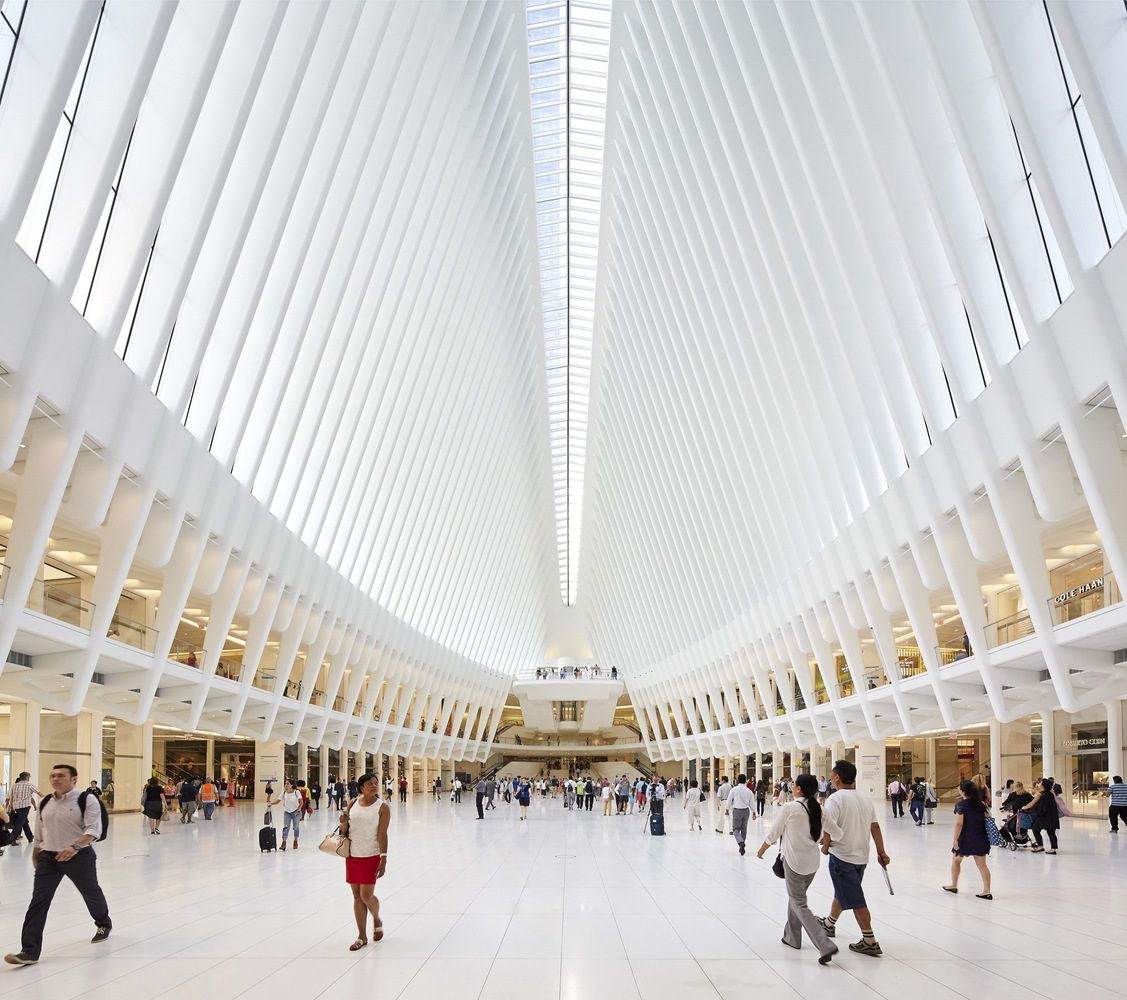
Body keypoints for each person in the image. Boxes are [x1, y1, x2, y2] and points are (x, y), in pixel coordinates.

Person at [4, 764, 112, 966]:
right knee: (39, 901)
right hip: (49, 858)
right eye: (53, 775)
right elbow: (40, 831)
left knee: (90, 892)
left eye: (61, 775)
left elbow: (93, 830)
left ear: (74, 779)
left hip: (79, 855)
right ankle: (29, 951)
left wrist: (74, 847)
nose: (55, 779)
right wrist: (36, 853)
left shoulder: (86, 799)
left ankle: (103, 922)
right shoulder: (46, 801)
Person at [757, 773, 842, 964]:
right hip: (812, 865)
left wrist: (762, 849)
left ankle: (824, 944)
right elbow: (837, 833)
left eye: (795, 785)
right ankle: (792, 937)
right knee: (796, 898)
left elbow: (774, 833)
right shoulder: (820, 809)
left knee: (799, 902)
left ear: (799, 789)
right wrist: (824, 841)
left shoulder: (790, 808)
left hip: (794, 863)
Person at [817, 759, 889, 958]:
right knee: (844, 892)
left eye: (832, 775)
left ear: (837, 778)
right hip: (861, 857)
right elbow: (875, 826)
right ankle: (829, 924)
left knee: (856, 899)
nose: (831, 779)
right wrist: (881, 852)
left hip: (842, 856)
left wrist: (825, 846)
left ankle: (869, 941)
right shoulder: (864, 799)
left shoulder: (835, 799)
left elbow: (829, 825)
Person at [337, 773, 390, 951]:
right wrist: (343, 823)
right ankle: (362, 936)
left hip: (371, 855)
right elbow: (345, 830)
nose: (374, 786)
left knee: (366, 896)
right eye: (369, 783)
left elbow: (382, 835)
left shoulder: (382, 808)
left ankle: (377, 918)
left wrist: (383, 858)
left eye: (375, 783)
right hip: (353, 855)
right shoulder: (353, 803)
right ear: (361, 788)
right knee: (357, 897)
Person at [943, 779, 992, 899]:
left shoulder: (961, 805)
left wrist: (955, 840)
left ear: (963, 791)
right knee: (982, 865)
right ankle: (987, 891)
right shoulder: (981, 804)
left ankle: (954, 885)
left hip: (966, 838)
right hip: (980, 836)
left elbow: (959, 823)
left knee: (956, 860)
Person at [1023, 778, 1060, 854]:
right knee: (1051, 832)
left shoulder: (1040, 794)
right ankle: (1053, 849)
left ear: (1043, 785)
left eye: (1040, 783)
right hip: (1051, 815)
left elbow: (1032, 803)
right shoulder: (1051, 794)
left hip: (1042, 816)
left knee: (1035, 829)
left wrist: (1024, 807)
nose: (1039, 784)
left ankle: (1040, 846)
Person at [270, 779, 304, 851]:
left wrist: (298, 810)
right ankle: (284, 842)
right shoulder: (284, 792)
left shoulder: (296, 792)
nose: (286, 785)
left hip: (296, 812)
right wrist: (271, 804)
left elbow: (301, 802)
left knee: (296, 827)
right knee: (286, 827)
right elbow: (278, 801)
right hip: (287, 812)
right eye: (285, 783)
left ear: (292, 785)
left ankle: (295, 840)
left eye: (288, 784)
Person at [7, 772, 39, 845]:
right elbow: (38, 793)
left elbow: (11, 797)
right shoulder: (29, 785)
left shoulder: (14, 786)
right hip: (25, 806)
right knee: (20, 822)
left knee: (23, 821)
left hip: (16, 806)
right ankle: (12, 838)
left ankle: (30, 836)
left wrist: (11, 806)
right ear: (27, 777)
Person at [728, 774, 755, 855]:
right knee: (744, 829)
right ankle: (742, 845)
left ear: (737, 780)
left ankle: (741, 843)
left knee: (735, 829)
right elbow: (752, 802)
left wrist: (727, 809)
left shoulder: (733, 790)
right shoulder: (749, 791)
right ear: (745, 780)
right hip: (746, 811)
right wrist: (754, 812)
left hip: (737, 810)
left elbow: (729, 800)